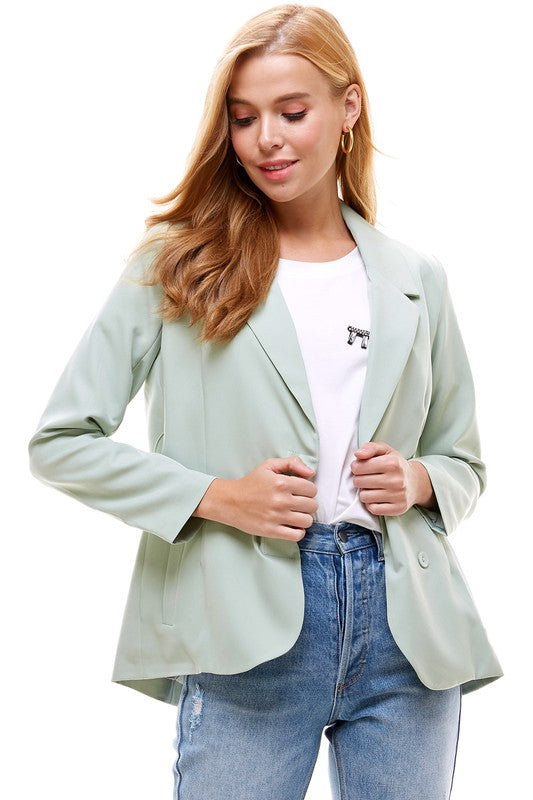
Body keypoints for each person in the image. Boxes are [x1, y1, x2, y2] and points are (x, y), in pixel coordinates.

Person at [27, 4, 503, 799]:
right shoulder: (177, 264)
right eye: (244, 118)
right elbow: (61, 442)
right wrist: (217, 496)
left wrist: (419, 480)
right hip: (245, 622)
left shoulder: (415, 277)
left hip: (407, 629)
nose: (265, 140)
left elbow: (463, 459)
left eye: (291, 112)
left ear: (347, 108)